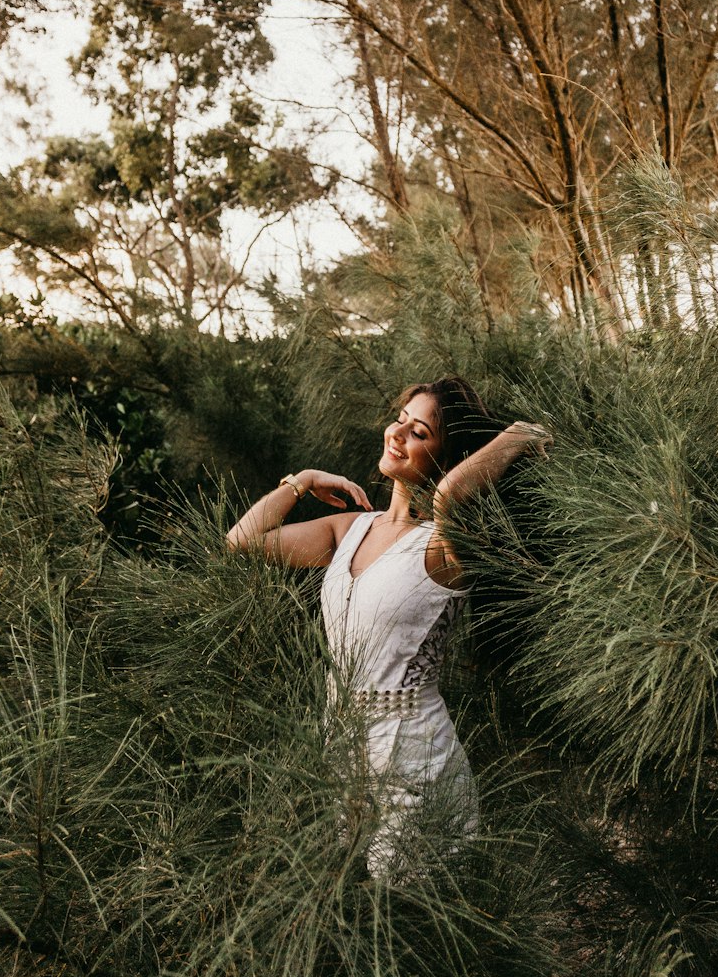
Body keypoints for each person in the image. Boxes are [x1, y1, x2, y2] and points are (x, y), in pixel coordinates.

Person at [226, 376, 551, 879]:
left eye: (419, 432)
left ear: (449, 457)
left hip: (415, 759)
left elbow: (448, 496)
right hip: (343, 752)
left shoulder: (448, 541)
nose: (396, 434)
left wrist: (515, 436)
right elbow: (242, 541)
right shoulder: (348, 528)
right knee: (356, 913)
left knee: (405, 919)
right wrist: (303, 481)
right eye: (399, 420)